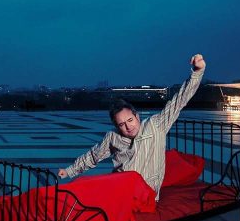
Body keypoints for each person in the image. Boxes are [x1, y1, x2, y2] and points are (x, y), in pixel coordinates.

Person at [58, 54, 206, 200]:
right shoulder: (113, 137)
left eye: (130, 120)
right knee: (83, 192)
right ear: (117, 126)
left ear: (137, 116)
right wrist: (69, 171)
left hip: (146, 193)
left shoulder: (155, 125)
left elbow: (179, 101)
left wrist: (197, 73)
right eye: (122, 124)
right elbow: (93, 156)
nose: (128, 127)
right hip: (120, 188)